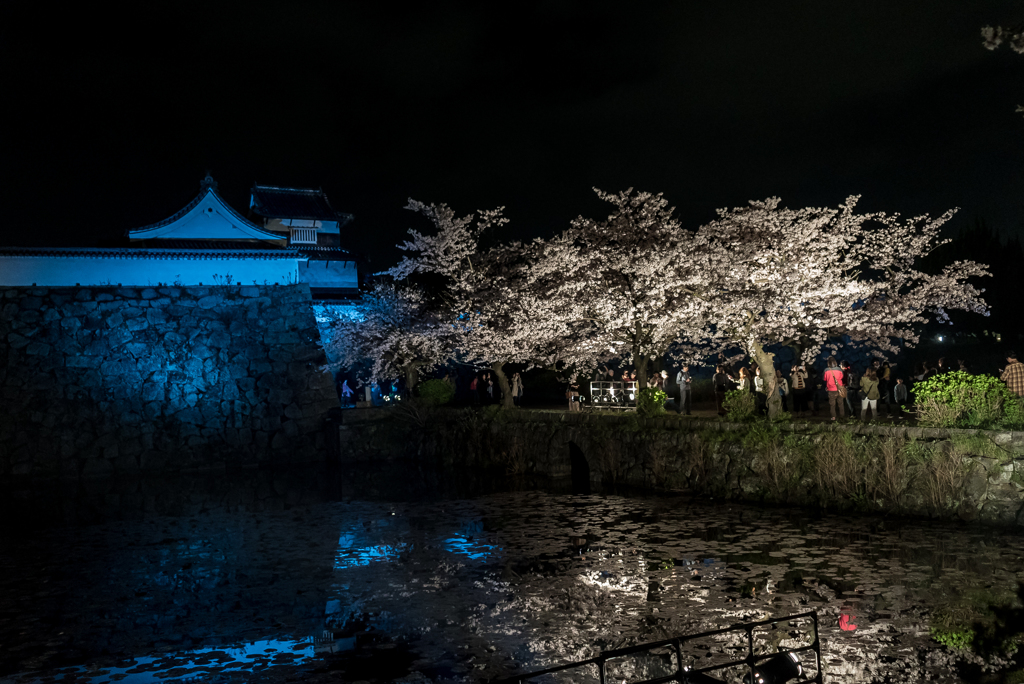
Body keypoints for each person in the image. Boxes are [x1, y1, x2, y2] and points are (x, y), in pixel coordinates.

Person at [823, 357, 845, 421]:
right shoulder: (839, 369)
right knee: (841, 403)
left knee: (832, 404)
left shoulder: (826, 370)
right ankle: (842, 416)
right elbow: (842, 377)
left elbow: (825, 379)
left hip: (831, 389)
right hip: (839, 389)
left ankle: (833, 417)